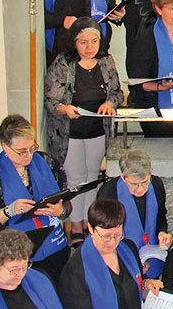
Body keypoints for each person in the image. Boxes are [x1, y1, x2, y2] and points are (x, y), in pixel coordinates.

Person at [44, 17, 122, 243]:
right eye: (83, 42)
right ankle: (75, 224)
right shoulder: (63, 63)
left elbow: (117, 92)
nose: (90, 48)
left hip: (97, 129)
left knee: (92, 177)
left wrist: (110, 103)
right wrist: (64, 108)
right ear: (74, 43)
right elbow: (50, 100)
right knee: (75, 178)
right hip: (70, 132)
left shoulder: (106, 62)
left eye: (94, 41)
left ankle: (90, 221)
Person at [0, 114, 71, 283]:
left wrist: (60, 211)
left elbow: (66, 202)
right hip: (17, 257)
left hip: (54, 247)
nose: (28, 155)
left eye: (32, 147)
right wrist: (9, 211)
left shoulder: (46, 161)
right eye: (21, 151)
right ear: (5, 147)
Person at [95, 148, 172, 278]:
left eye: (145, 182)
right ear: (122, 177)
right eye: (134, 184)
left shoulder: (157, 185)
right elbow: (105, 236)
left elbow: (160, 216)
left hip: (151, 252)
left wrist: (162, 233)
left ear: (150, 171)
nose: (141, 188)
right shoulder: (108, 193)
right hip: (120, 255)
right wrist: (136, 261)